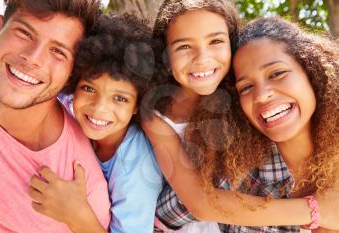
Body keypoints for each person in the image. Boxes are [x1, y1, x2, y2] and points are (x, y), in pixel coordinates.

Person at [141, 0, 339, 232]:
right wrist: (315, 211)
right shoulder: (237, 161)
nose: (263, 95)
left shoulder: (239, 126)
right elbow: (194, 204)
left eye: (277, 73)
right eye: (246, 87)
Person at [28, 14, 163, 233]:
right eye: (89, 89)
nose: (99, 108)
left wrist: (76, 214)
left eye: (120, 98)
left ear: (139, 104)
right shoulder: (66, 104)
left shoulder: (137, 167)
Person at [0, 0, 110, 232]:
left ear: (71, 73)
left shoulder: (79, 191)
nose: (33, 58)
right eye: (24, 33)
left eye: (58, 51)